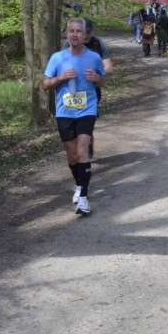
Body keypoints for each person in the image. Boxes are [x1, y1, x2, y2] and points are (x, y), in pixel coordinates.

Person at [43, 18, 107, 215]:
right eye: (71, 31)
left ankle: (84, 199)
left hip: (87, 110)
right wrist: (60, 77)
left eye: (79, 31)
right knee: (72, 156)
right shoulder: (57, 58)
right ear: (67, 34)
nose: (75, 34)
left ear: (85, 34)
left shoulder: (94, 57)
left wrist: (97, 78)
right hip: (65, 112)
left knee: (81, 152)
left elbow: (103, 81)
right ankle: (79, 184)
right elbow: (45, 85)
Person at [61, 19, 113, 161]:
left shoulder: (98, 44)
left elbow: (109, 68)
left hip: (92, 90)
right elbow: (60, 64)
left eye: (89, 32)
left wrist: (97, 74)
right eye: (85, 32)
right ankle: (81, 143)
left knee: (87, 120)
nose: (86, 35)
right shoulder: (68, 43)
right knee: (73, 120)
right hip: (72, 89)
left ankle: (86, 142)